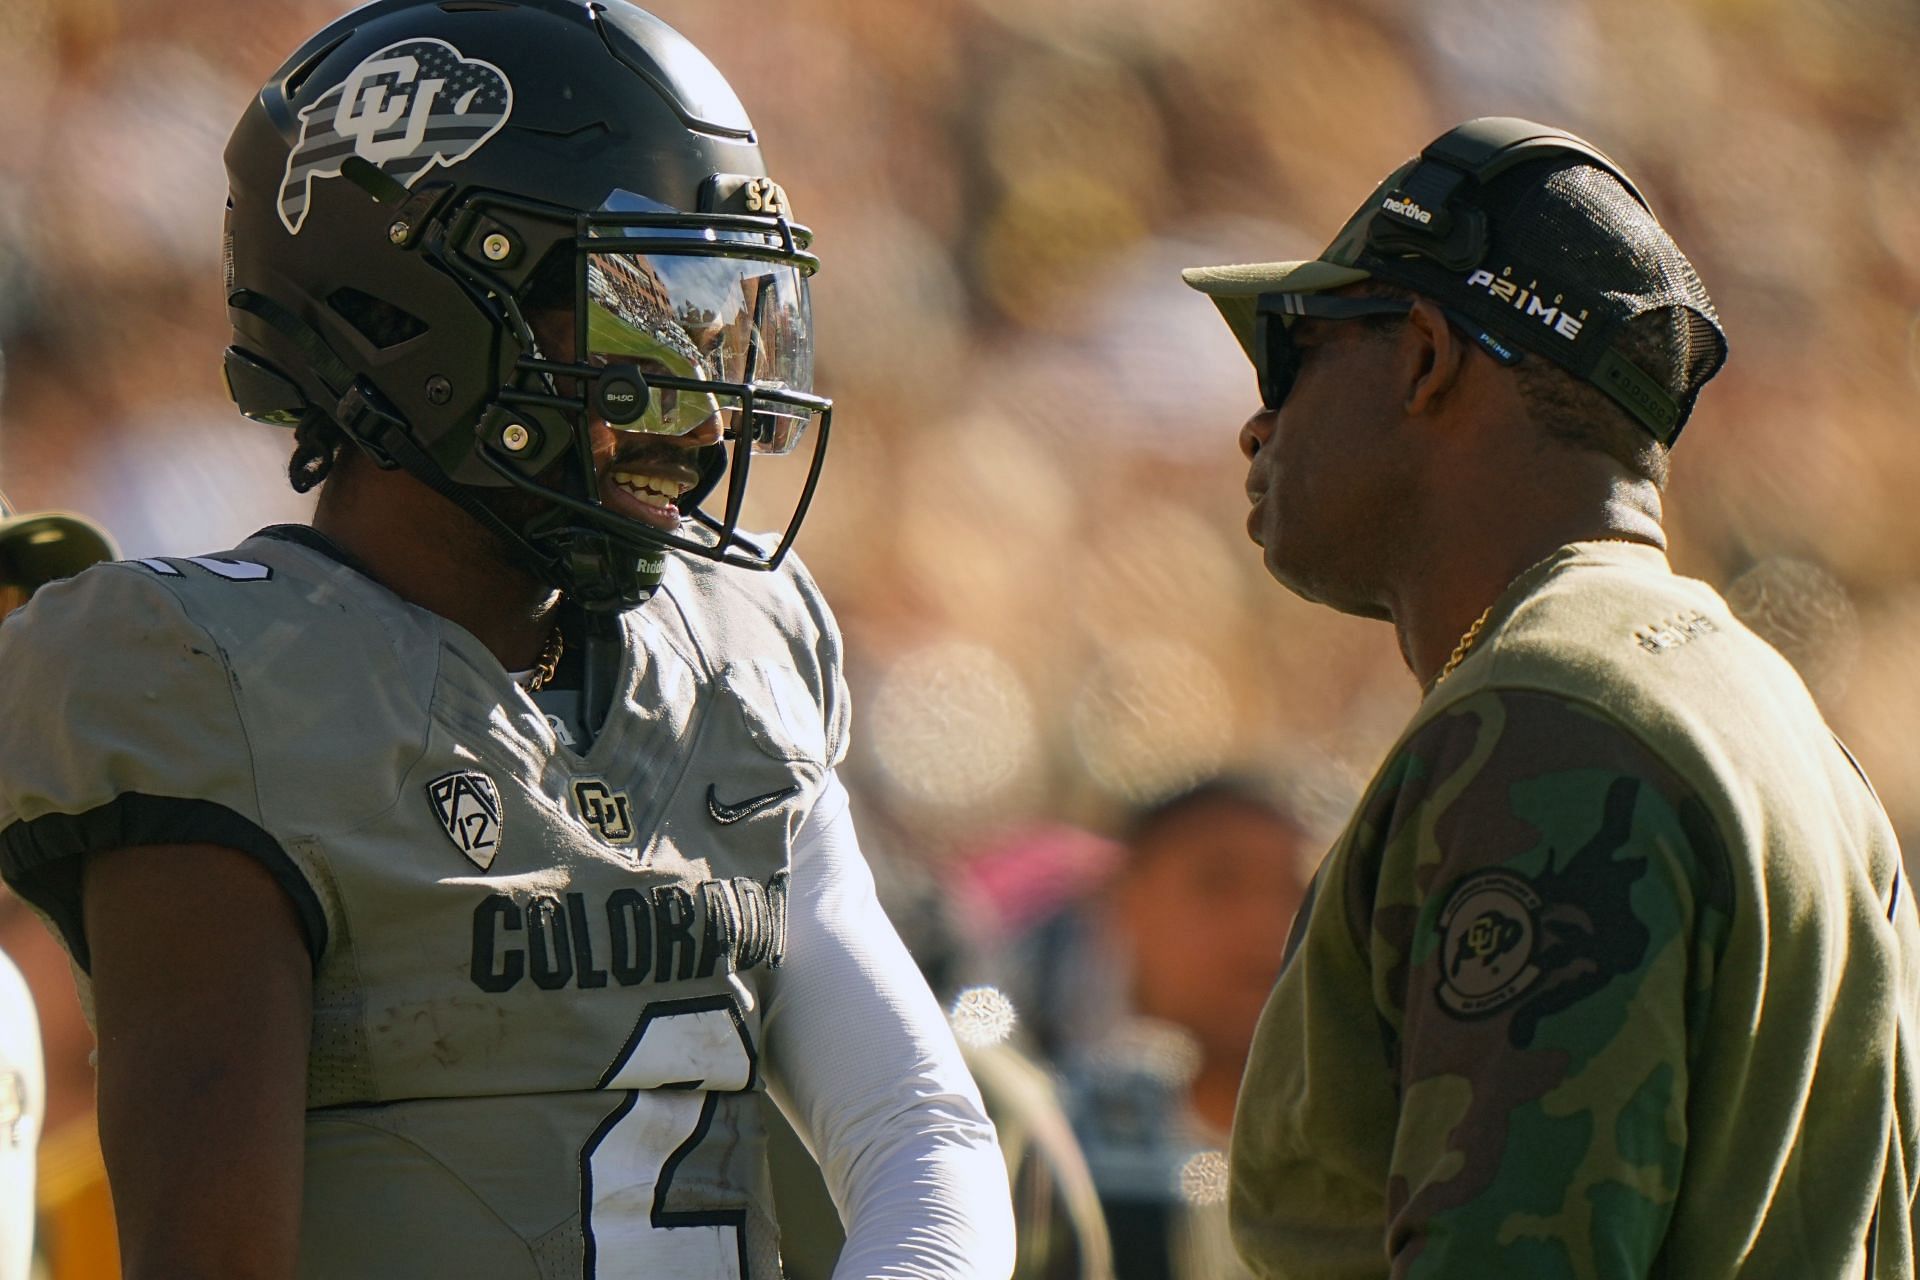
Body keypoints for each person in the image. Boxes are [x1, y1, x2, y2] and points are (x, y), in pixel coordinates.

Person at [0, 2, 1014, 1276]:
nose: (706, 414)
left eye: (726, 320)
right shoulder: (208, 673)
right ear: (414, 310)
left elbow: (923, 1136)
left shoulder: (738, 642)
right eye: (650, 324)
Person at [1181, 117, 1920, 1277]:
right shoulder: (1775, 717)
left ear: (1425, 356)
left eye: (1294, 352)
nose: (1257, 420)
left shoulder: (1550, 721)